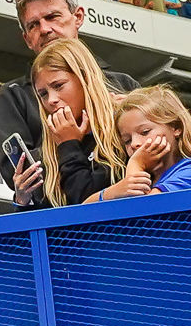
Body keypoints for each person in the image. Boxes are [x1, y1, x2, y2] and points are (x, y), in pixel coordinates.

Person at [0, 0, 136, 206]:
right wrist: (68, 141)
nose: (45, 29)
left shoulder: (123, 84)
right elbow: (18, 173)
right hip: (61, 223)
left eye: (53, 17)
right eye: (33, 25)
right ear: (27, 39)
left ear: (77, 17)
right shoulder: (12, 96)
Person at [28, 36, 126, 204]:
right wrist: (23, 198)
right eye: (43, 94)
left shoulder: (123, 127)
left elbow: (86, 202)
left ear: (85, 78)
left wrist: (69, 145)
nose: (51, 100)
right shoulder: (49, 151)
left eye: (58, 86)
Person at [100, 86, 191, 196]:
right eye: (127, 140)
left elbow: (140, 215)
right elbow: (85, 205)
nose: (134, 144)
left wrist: (135, 165)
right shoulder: (149, 179)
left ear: (176, 127)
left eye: (145, 132)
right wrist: (111, 193)